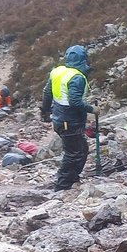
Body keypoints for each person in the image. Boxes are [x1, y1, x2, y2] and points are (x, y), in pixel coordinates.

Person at [40, 45, 96, 191]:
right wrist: (92, 109)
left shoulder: (58, 72)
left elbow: (47, 93)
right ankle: (62, 186)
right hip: (70, 122)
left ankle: (72, 178)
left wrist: (45, 111)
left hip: (59, 119)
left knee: (81, 149)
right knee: (74, 154)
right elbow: (75, 102)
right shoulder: (77, 77)